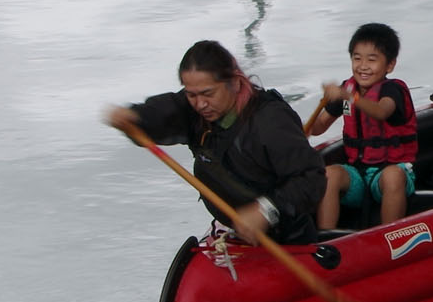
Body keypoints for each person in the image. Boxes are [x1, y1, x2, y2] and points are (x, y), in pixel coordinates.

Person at [105, 40, 326, 242]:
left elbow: (311, 178)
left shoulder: (270, 121)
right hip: (238, 234)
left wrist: (266, 210)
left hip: (288, 239)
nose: (200, 104)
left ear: (236, 83)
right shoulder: (196, 112)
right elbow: (167, 110)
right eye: (192, 94)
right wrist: (135, 117)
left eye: (208, 93)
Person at [309, 22, 416, 229]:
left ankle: (391, 238)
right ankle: (326, 241)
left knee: (393, 176)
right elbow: (318, 127)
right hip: (357, 174)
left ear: (390, 65)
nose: (363, 66)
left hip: (391, 172)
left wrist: (349, 96)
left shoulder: (392, 90)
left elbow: (381, 111)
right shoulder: (347, 89)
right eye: (357, 58)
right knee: (329, 174)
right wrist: (318, 107)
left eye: (372, 60)